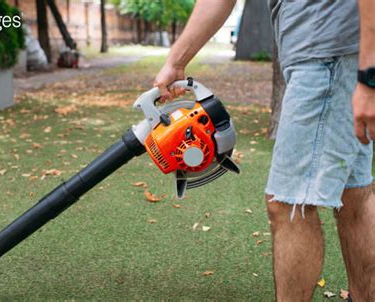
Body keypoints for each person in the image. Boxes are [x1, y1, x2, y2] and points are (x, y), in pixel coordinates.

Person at [154, 0, 375, 300]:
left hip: (327, 50)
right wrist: (177, 61)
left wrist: (370, 74)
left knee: (287, 203)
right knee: (353, 193)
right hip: (326, 51)